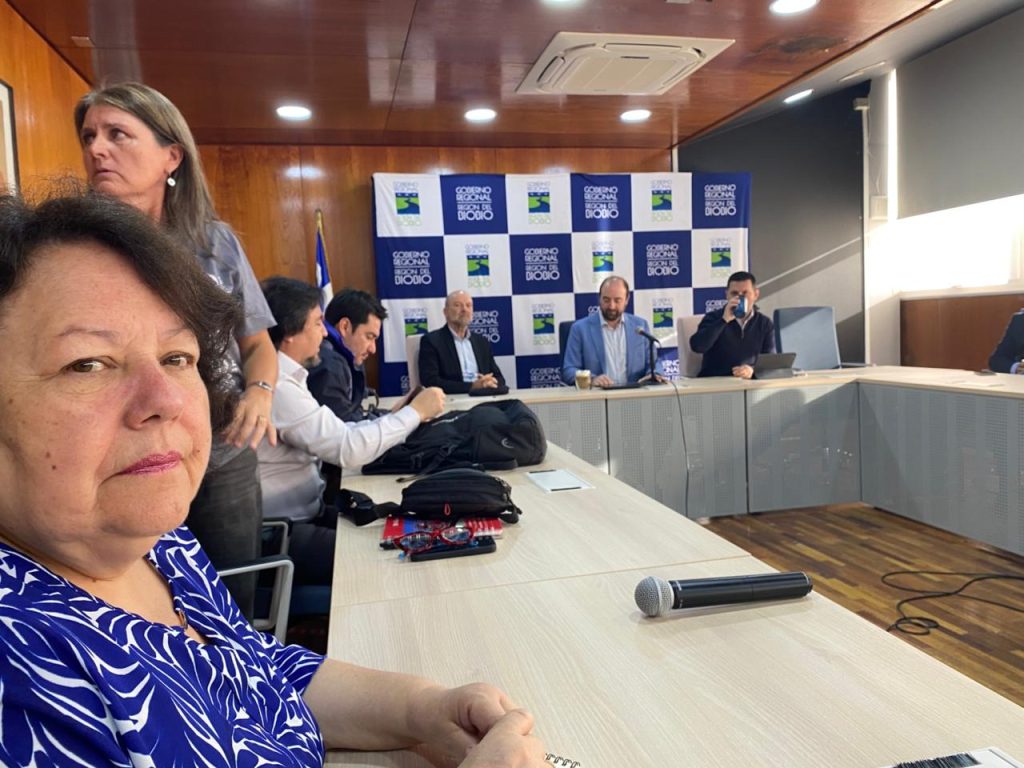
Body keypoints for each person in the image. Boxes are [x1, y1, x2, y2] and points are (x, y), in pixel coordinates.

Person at [0, 190, 545, 767]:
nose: (166, 399)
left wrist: (424, 706)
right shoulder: (18, 673)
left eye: (177, 358)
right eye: (87, 364)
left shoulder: (162, 545)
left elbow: (262, 673)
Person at [75, 82, 277, 618]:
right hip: (128, 456)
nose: (97, 149)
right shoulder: (75, 252)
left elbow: (258, 345)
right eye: (90, 136)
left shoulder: (216, 243)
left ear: (171, 156)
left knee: (234, 606)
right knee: (150, 615)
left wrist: (260, 391)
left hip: (224, 452)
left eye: (118, 134)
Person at [257, 277, 446, 586]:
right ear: (289, 332)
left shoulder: (287, 379)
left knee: (399, 526)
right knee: (392, 554)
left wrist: (398, 418)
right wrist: (416, 412)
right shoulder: (278, 387)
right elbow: (348, 448)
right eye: (317, 323)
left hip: (306, 516)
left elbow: (342, 430)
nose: (324, 332)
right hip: (282, 534)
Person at [561, 275, 663, 387]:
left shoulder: (640, 326)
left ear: (626, 300)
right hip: (597, 395)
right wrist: (592, 379)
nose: (611, 306)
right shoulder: (580, 329)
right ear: (599, 298)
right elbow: (569, 370)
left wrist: (654, 374)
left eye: (617, 300)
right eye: (606, 300)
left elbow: (654, 363)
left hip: (634, 393)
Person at [307, 288, 389, 422]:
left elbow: (353, 415)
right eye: (369, 337)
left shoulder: (347, 357)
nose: (373, 349)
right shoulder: (329, 365)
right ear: (345, 327)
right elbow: (345, 428)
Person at [690, 270, 775, 379]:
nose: (740, 298)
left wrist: (752, 370)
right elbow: (698, 347)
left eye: (745, 293)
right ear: (727, 295)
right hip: (716, 381)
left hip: (749, 382)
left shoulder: (764, 323)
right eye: (734, 293)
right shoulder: (713, 318)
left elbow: (770, 361)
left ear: (756, 294)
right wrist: (724, 320)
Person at [419, 290, 506, 394]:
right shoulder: (432, 341)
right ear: (445, 312)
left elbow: (499, 377)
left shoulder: (481, 341)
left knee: (517, 404)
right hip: (453, 399)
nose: (464, 309)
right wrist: (472, 386)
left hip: (484, 395)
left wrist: (490, 382)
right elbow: (430, 381)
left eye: (468, 305)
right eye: (457, 305)